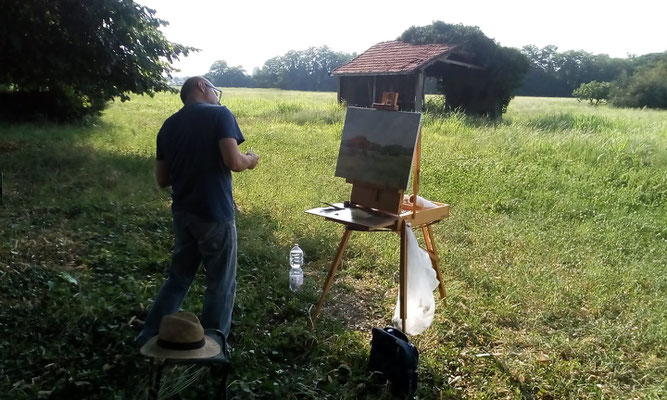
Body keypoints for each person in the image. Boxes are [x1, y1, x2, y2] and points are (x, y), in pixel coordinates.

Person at [136, 76, 259, 349]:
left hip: (183, 212)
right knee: (220, 282)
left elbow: (162, 179)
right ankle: (215, 345)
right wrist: (251, 160)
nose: (218, 96)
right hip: (214, 211)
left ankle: (148, 336)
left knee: (178, 278)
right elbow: (234, 162)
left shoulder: (168, 126)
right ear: (202, 87)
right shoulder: (220, 114)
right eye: (216, 90)